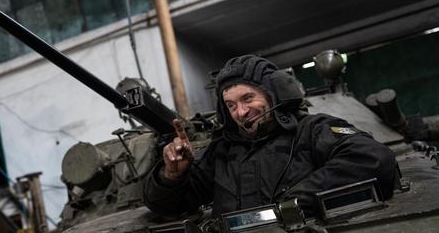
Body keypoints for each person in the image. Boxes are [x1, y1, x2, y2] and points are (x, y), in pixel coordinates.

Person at [142, 55, 398, 218]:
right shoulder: (222, 152)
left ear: (274, 95)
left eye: (248, 98)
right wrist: (171, 175)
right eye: (231, 105)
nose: (241, 112)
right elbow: (168, 207)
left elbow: (372, 158)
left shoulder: (312, 130)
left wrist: (292, 203)